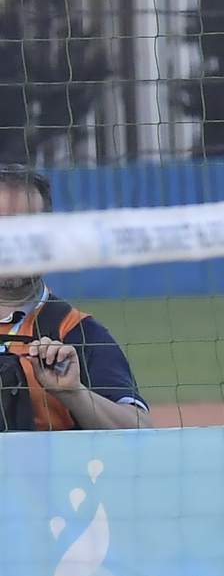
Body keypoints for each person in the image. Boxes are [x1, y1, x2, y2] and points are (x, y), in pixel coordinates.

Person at [0, 167, 150, 432]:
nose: (14, 242)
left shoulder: (79, 333)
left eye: (26, 228)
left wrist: (74, 393)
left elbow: (141, 431)